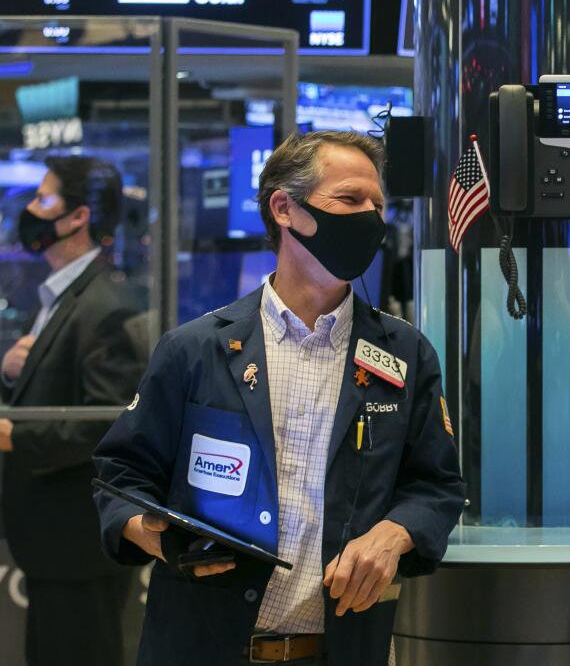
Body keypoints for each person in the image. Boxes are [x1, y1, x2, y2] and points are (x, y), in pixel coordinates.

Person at [94, 131, 466, 665]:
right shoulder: (194, 349)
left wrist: (395, 533)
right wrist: (158, 537)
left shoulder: (404, 353)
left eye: (378, 205)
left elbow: (436, 486)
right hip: (204, 648)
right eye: (350, 200)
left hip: (341, 649)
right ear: (285, 208)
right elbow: (120, 478)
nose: (371, 218)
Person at [0, 155, 146, 666]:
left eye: (45, 198)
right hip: (49, 544)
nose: (33, 209)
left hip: (77, 545)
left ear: (78, 217)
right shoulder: (60, 296)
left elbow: (106, 421)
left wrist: (14, 436)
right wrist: (14, 371)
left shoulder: (105, 303)